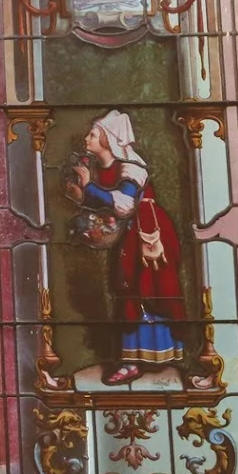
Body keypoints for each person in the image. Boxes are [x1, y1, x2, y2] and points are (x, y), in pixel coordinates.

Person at [65, 110, 186, 385]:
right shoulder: (108, 168)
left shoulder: (132, 167)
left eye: (93, 135)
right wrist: (83, 195)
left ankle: (139, 361)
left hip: (149, 235)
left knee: (143, 289)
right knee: (126, 289)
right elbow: (109, 203)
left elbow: (125, 204)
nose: (88, 138)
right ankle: (134, 358)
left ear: (108, 140)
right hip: (130, 236)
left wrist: (89, 187)